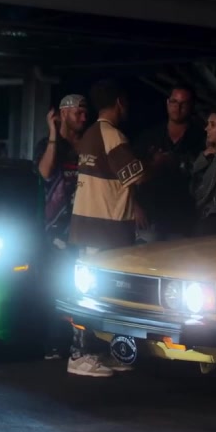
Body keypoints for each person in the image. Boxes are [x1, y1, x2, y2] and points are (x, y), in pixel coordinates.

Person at [65, 79, 149, 378]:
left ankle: (98, 352)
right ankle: (80, 355)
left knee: (97, 295)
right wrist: (158, 163)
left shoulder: (90, 134)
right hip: (105, 229)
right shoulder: (112, 135)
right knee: (93, 296)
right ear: (120, 103)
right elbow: (136, 176)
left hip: (89, 227)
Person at [33, 93, 89, 360]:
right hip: (55, 229)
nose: (83, 117)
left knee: (82, 287)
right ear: (63, 113)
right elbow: (44, 173)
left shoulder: (89, 145)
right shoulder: (48, 144)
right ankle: (55, 344)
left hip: (84, 225)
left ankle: (81, 344)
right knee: (56, 285)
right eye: (78, 112)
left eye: (85, 112)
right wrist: (54, 133)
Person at [134, 84, 204, 241]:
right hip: (150, 216)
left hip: (183, 218)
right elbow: (128, 173)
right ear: (167, 103)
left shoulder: (200, 138)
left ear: (192, 106)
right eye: (174, 102)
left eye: (183, 103)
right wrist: (134, 206)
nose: (177, 108)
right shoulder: (150, 136)